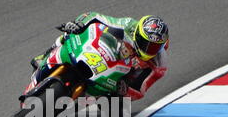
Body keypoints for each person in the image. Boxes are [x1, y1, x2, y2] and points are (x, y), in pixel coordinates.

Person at [31, 12, 169, 101]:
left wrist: (125, 90)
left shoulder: (158, 64)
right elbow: (96, 17)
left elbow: (140, 91)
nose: (149, 49)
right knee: (69, 34)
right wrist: (79, 24)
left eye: (155, 47)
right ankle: (46, 54)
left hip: (116, 80)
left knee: (117, 112)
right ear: (138, 33)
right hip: (104, 55)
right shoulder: (129, 25)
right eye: (147, 43)